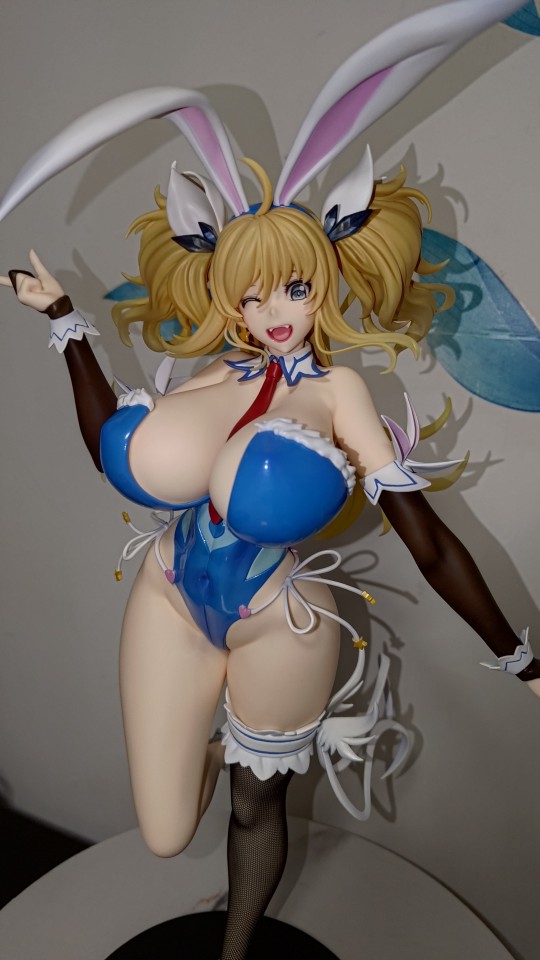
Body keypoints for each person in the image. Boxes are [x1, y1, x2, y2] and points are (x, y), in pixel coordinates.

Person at [1, 4, 533, 958]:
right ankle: (217, 751)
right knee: (165, 834)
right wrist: (66, 321)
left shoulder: (339, 395)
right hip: (171, 588)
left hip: (279, 618)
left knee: (256, 807)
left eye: (293, 286)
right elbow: (111, 444)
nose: (274, 310)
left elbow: (427, 538)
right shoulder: (212, 373)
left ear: (326, 277)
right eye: (250, 292)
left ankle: (236, 946)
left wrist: (521, 657)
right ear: (227, 293)